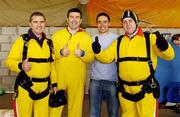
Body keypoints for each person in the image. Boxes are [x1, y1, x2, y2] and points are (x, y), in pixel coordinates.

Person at [92, 10, 174, 117]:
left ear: (136, 22)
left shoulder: (150, 39)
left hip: (145, 90)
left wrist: (165, 47)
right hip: (125, 91)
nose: (127, 24)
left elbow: (169, 56)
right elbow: (106, 58)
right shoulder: (118, 42)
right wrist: (98, 51)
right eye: (124, 22)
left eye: (130, 21)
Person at [5, 12, 58, 117]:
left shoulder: (49, 43)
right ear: (30, 24)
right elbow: (9, 61)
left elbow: (52, 66)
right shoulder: (23, 41)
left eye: (42, 22)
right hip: (26, 88)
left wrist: (55, 84)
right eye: (35, 22)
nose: (39, 25)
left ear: (45, 23)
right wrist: (21, 66)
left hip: (44, 89)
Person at [49, 8, 94, 117]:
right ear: (67, 19)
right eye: (72, 17)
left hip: (77, 78)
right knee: (56, 106)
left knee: (76, 107)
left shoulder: (87, 37)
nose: (74, 20)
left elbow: (91, 58)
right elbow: (50, 57)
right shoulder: (57, 35)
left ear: (81, 20)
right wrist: (60, 52)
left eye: (77, 17)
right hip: (60, 77)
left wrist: (82, 54)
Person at [89, 13, 119, 117]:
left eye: (105, 22)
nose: (102, 24)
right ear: (96, 24)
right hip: (95, 81)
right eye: (99, 22)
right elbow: (88, 58)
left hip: (112, 82)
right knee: (94, 113)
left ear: (109, 23)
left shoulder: (117, 39)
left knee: (114, 113)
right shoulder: (91, 39)